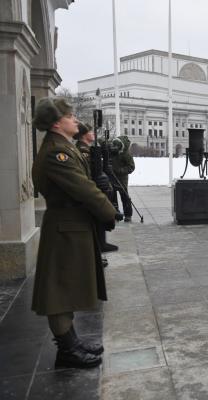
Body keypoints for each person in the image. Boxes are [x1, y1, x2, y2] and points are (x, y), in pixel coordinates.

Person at [31, 97, 118, 368]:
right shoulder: (58, 153)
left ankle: (72, 342)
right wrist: (108, 212)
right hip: (65, 228)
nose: (75, 121)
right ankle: (67, 350)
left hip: (70, 225)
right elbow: (83, 189)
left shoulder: (62, 148)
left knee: (65, 288)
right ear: (58, 123)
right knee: (59, 291)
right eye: (70, 116)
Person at [75, 123, 118, 255]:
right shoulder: (83, 151)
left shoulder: (88, 149)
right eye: (90, 131)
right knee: (97, 217)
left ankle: (101, 243)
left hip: (94, 188)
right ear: (84, 135)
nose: (93, 133)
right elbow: (89, 172)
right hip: (91, 191)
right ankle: (99, 246)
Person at [109, 135, 135, 222]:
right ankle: (116, 213)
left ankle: (128, 214)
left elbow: (131, 167)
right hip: (111, 177)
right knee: (112, 196)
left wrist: (119, 170)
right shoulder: (111, 152)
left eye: (116, 147)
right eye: (113, 146)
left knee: (125, 197)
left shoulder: (126, 154)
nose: (114, 148)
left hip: (122, 179)